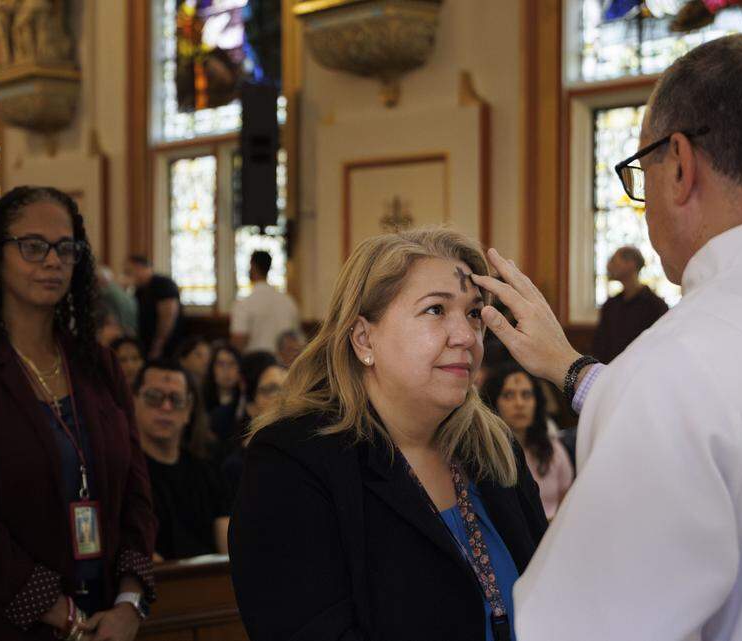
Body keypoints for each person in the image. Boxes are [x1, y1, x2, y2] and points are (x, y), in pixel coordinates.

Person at [473, 34, 742, 641]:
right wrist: (576, 370)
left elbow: (580, 629)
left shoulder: (676, 366)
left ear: (680, 165)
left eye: (643, 171)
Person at [229, 229, 547, 641]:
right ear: (364, 338)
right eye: (435, 310)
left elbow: (552, 592)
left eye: (473, 313)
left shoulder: (493, 447)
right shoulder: (292, 462)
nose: (467, 336)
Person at [0, 187, 156, 641]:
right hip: (1, 626)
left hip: (109, 621)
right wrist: (63, 615)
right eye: (32, 247)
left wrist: (131, 603)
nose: (52, 261)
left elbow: (138, 496)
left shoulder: (99, 365)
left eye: (65, 248)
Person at [133, 361, 230, 561]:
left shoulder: (207, 470)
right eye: (154, 397)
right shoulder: (124, 471)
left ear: (189, 409)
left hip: (209, 582)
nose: (166, 407)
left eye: (176, 399)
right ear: (134, 401)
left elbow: (228, 546)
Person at [482, 365, 574, 520]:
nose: (519, 404)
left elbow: (569, 503)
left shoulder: (553, 449)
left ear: (536, 402)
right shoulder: (485, 455)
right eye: (508, 395)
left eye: (526, 395)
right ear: (494, 402)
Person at [219, 351, 285, 493]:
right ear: (251, 406)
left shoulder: (293, 453)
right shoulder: (238, 466)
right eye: (272, 390)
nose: (283, 398)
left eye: (287, 389)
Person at [591, 246, 669, 363]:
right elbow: (600, 346)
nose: (608, 266)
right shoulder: (610, 305)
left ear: (630, 264)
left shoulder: (656, 306)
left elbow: (659, 347)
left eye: (613, 261)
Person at [229, 251, 299, 353]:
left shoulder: (244, 304)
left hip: (255, 365)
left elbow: (238, 341)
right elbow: (296, 339)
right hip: (284, 365)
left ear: (253, 266)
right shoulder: (288, 302)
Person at [125, 255, 182, 360]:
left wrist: (158, 344)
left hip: (165, 346)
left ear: (140, 268)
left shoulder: (163, 284)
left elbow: (168, 315)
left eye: (130, 271)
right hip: (146, 344)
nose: (128, 275)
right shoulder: (139, 290)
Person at [95, 265, 138, 338]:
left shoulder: (107, 291)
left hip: (122, 329)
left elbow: (113, 315)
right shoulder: (118, 290)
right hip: (131, 328)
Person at [202, 344, 241, 414]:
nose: (226, 370)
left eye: (232, 364)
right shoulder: (201, 398)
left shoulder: (244, 403)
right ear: (212, 369)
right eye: (220, 364)